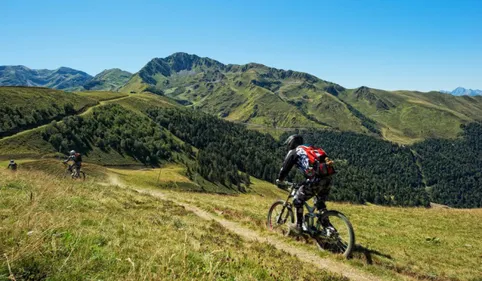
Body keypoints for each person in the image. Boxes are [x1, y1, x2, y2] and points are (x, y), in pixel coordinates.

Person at [276, 134, 335, 235]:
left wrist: (280, 179)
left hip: (315, 180)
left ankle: (298, 226)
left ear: (291, 143)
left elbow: (285, 168)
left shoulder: (295, 151)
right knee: (320, 203)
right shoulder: (310, 148)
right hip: (328, 178)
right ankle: (328, 228)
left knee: (297, 200)